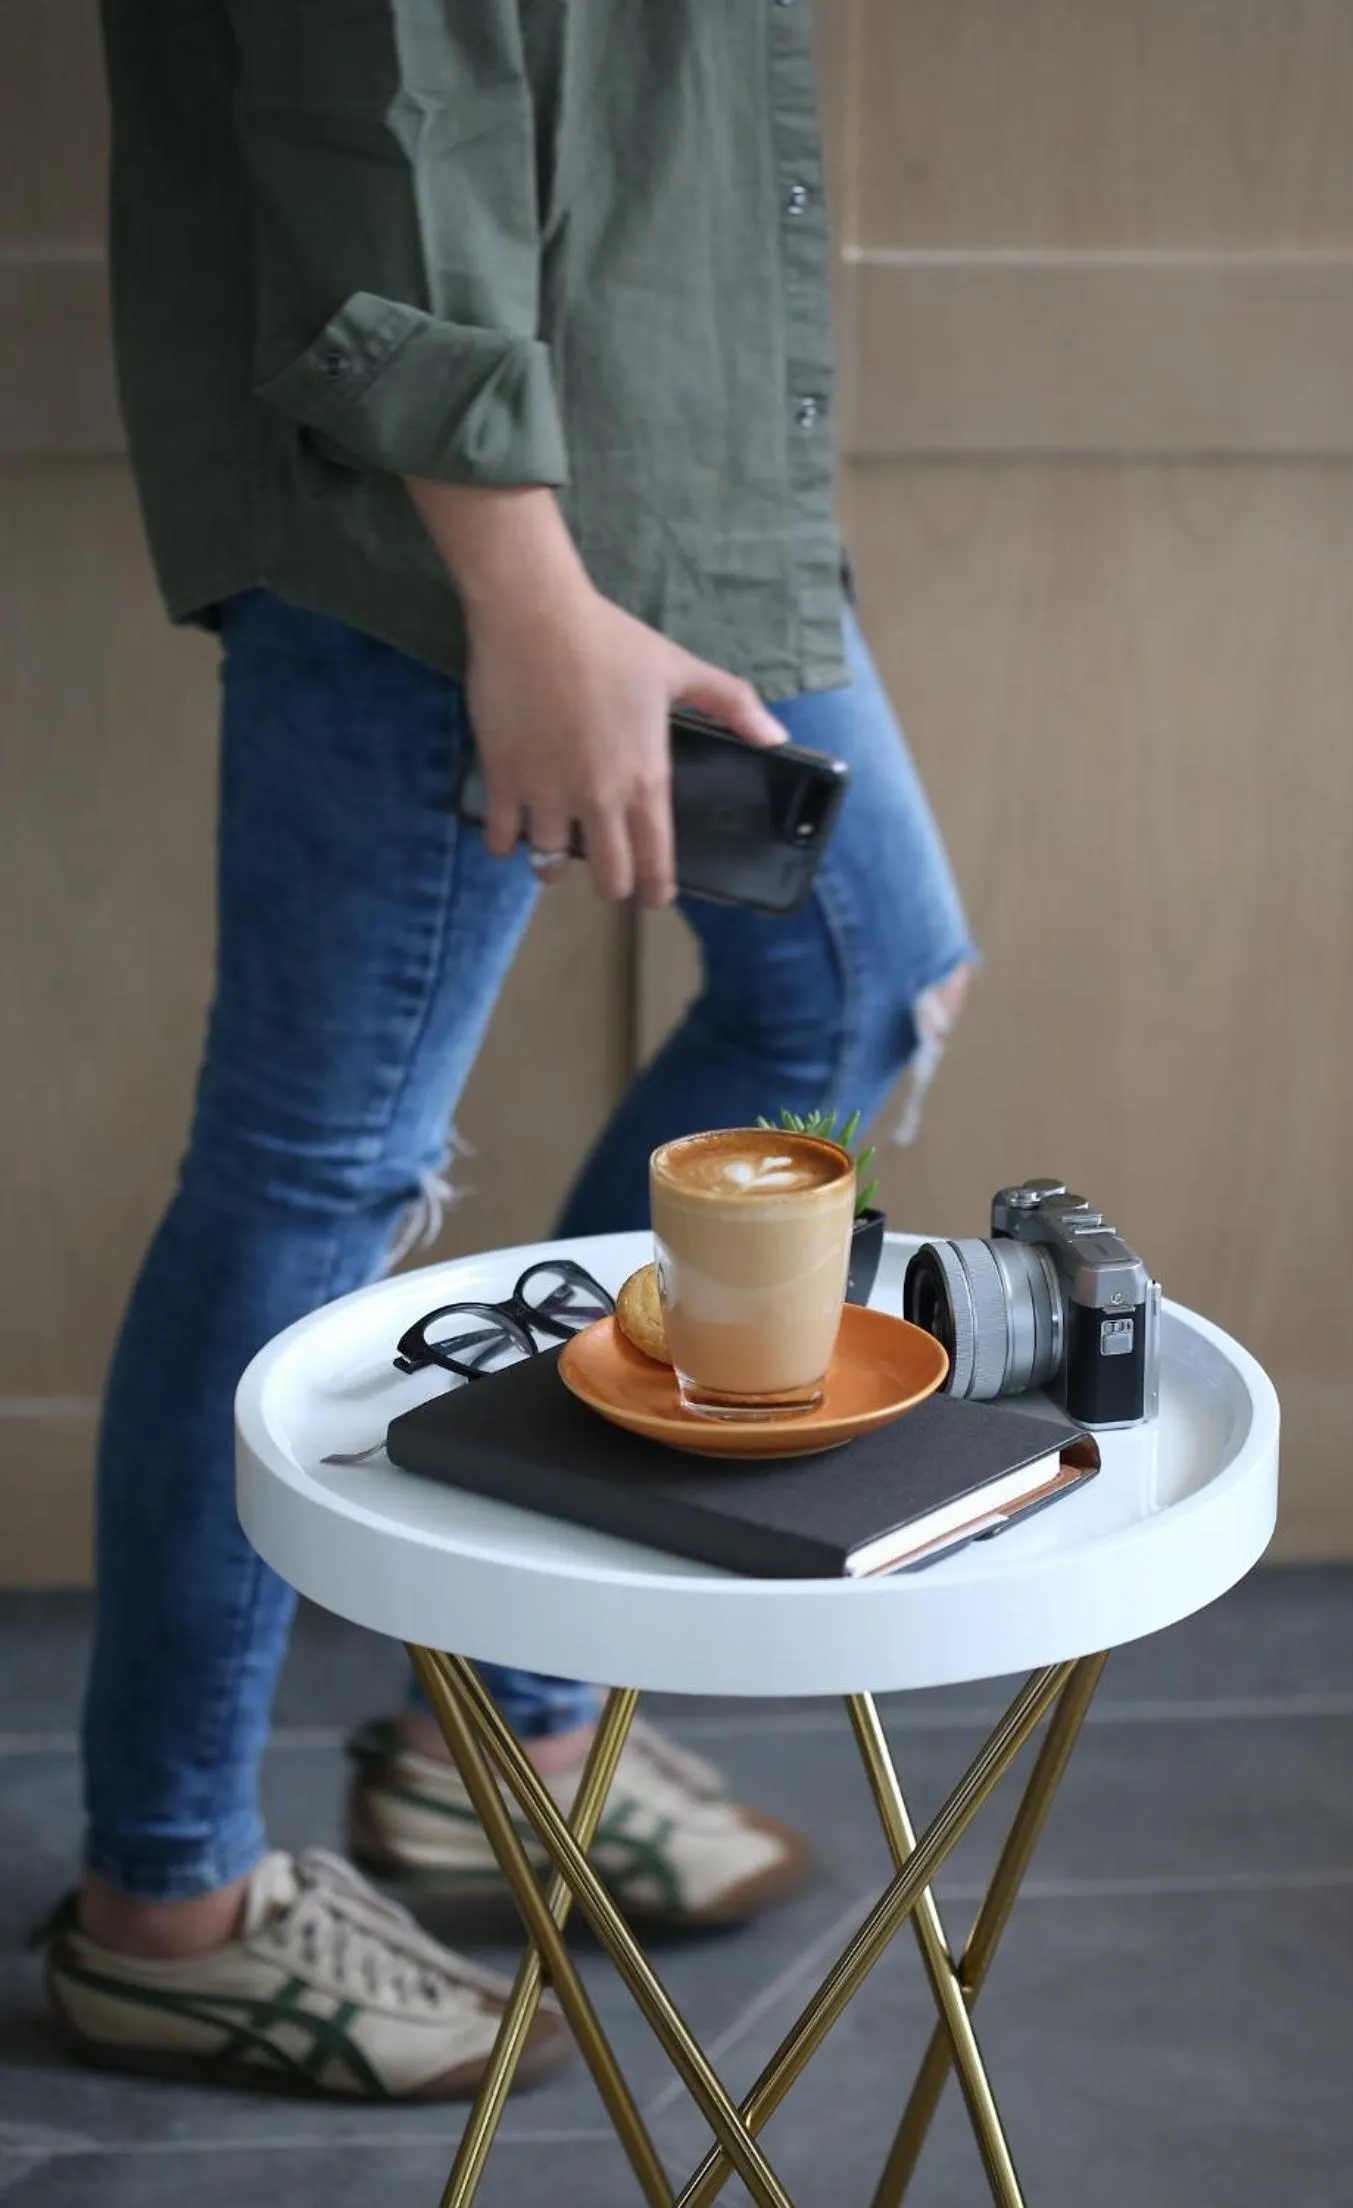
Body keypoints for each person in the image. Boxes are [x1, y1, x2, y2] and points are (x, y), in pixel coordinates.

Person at [46, 0, 974, 2101]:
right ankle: (166, 1898)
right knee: (314, 1173)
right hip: (462, 541)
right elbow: (378, 100)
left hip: (684, 469)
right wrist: (518, 584)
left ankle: (513, 1715)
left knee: (849, 983)